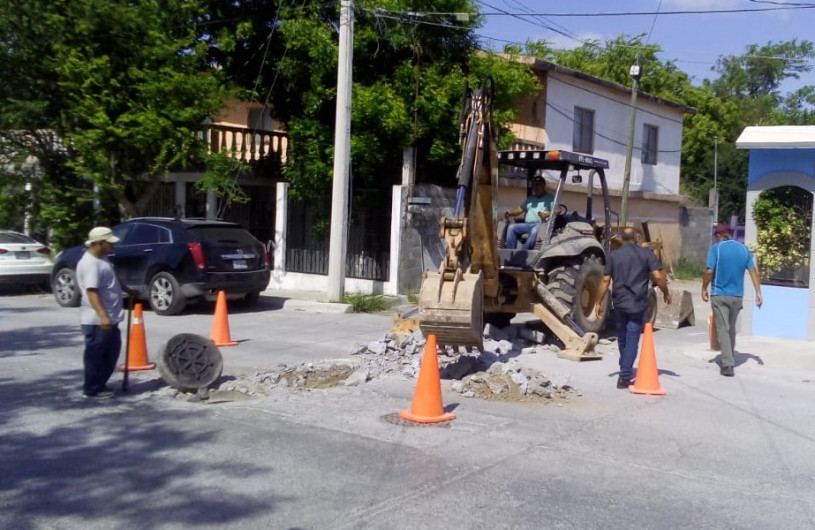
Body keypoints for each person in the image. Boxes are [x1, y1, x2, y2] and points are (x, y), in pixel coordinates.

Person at [596, 227, 671, 389]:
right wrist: (666, 292)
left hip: (620, 302)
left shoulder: (613, 255)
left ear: (621, 238)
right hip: (638, 303)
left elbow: (605, 280)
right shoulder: (647, 255)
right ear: (636, 238)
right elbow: (658, 277)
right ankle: (624, 375)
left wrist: (598, 301)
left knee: (622, 337)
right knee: (631, 338)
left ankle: (625, 365)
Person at [701, 223, 763, 377]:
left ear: (718, 236)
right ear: (732, 234)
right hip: (737, 296)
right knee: (731, 328)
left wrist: (703, 288)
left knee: (723, 329)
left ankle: (728, 364)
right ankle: (730, 356)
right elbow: (753, 271)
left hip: (719, 294)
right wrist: (758, 292)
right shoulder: (744, 249)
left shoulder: (716, 249)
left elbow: (709, 271)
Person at [76, 226, 128, 398]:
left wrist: (127, 289)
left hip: (109, 318)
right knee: (96, 354)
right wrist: (103, 316)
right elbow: (92, 292)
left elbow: (112, 278)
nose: (112, 246)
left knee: (110, 352)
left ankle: (100, 383)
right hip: (97, 320)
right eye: (108, 243)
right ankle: (92, 388)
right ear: (99, 243)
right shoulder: (90, 264)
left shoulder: (102, 259)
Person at [503, 176, 555, 250]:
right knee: (511, 228)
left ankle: (524, 253)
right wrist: (509, 213)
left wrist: (546, 215)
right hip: (527, 224)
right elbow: (520, 209)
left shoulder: (550, 198)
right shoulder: (530, 199)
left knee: (534, 231)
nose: (535, 187)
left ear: (543, 185)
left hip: (541, 225)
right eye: (534, 185)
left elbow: (558, 210)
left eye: (537, 185)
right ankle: (510, 252)